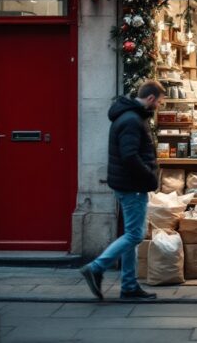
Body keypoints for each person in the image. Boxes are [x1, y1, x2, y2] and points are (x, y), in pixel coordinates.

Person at [80, 80, 165, 300]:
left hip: (128, 184)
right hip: (133, 185)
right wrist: (149, 176)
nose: (159, 106)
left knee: (131, 235)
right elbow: (129, 156)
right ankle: (96, 267)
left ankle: (129, 285)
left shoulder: (129, 116)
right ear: (151, 99)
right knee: (135, 234)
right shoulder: (131, 120)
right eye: (160, 102)